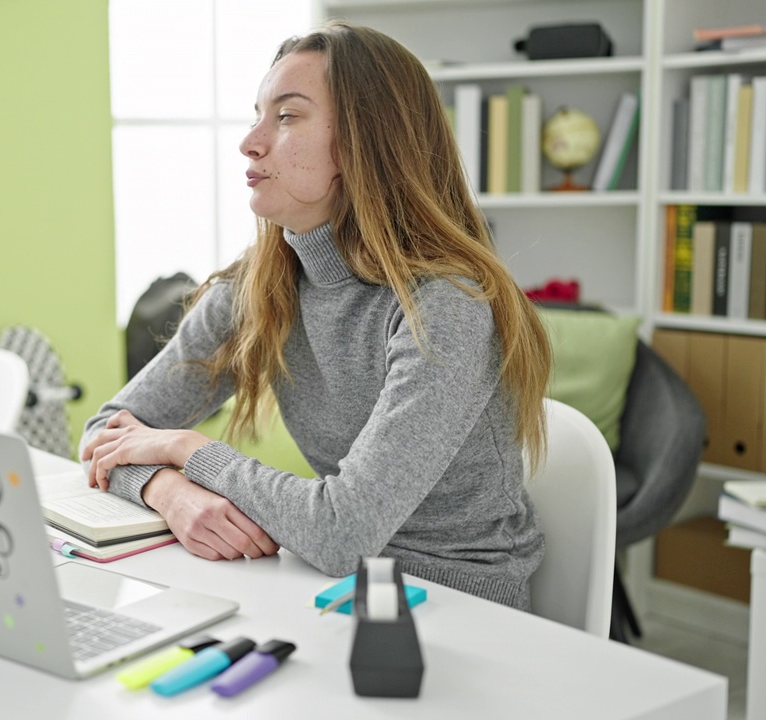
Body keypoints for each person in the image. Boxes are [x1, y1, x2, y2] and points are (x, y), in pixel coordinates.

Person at [79, 21, 552, 611]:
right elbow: (106, 431)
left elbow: (340, 530)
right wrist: (167, 490)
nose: (250, 141)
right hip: (323, 586)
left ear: (365, 142)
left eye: (286, 116)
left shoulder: (444, 303)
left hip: (460, 606)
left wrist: (182, 450)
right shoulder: (259, 286)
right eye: (258, 113)